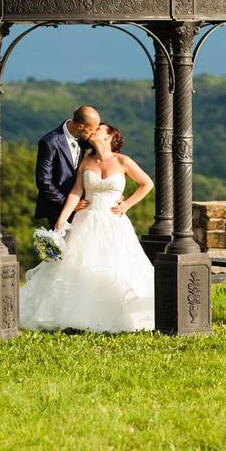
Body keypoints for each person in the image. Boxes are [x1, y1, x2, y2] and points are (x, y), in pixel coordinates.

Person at [20, 123, 156, 333]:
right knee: (77, 267)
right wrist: (62, 220)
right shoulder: (86, 160)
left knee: (116, 267)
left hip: (114, 223)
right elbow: (76, 192)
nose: (94, 131)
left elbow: (147, 183)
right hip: (85, 220)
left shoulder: (122, 161)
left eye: (99, 129)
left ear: (111, 136)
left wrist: (127, 204)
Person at [34, 106, 101, 228]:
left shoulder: (84, 138)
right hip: (57, 207)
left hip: (84, 205)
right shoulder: (50, 142)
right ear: (81, 127)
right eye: (91, 130)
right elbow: (43, 181)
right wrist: (67, 203)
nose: (93, 134)